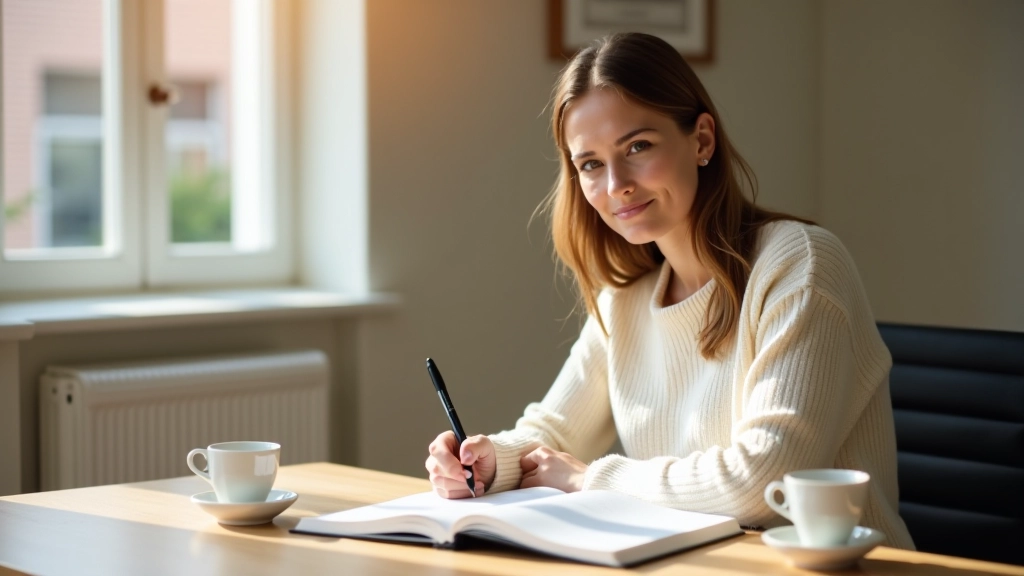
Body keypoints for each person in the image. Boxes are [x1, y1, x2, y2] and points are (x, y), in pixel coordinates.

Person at [424, 32, 914, 550]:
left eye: (638, 146)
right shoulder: (627, 298)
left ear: (702, 140)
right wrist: (486, 462)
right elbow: (557, 434)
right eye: (590, 163)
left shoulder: (800, 265)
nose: (616, 185)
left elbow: (764, 479)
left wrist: (590, 480)